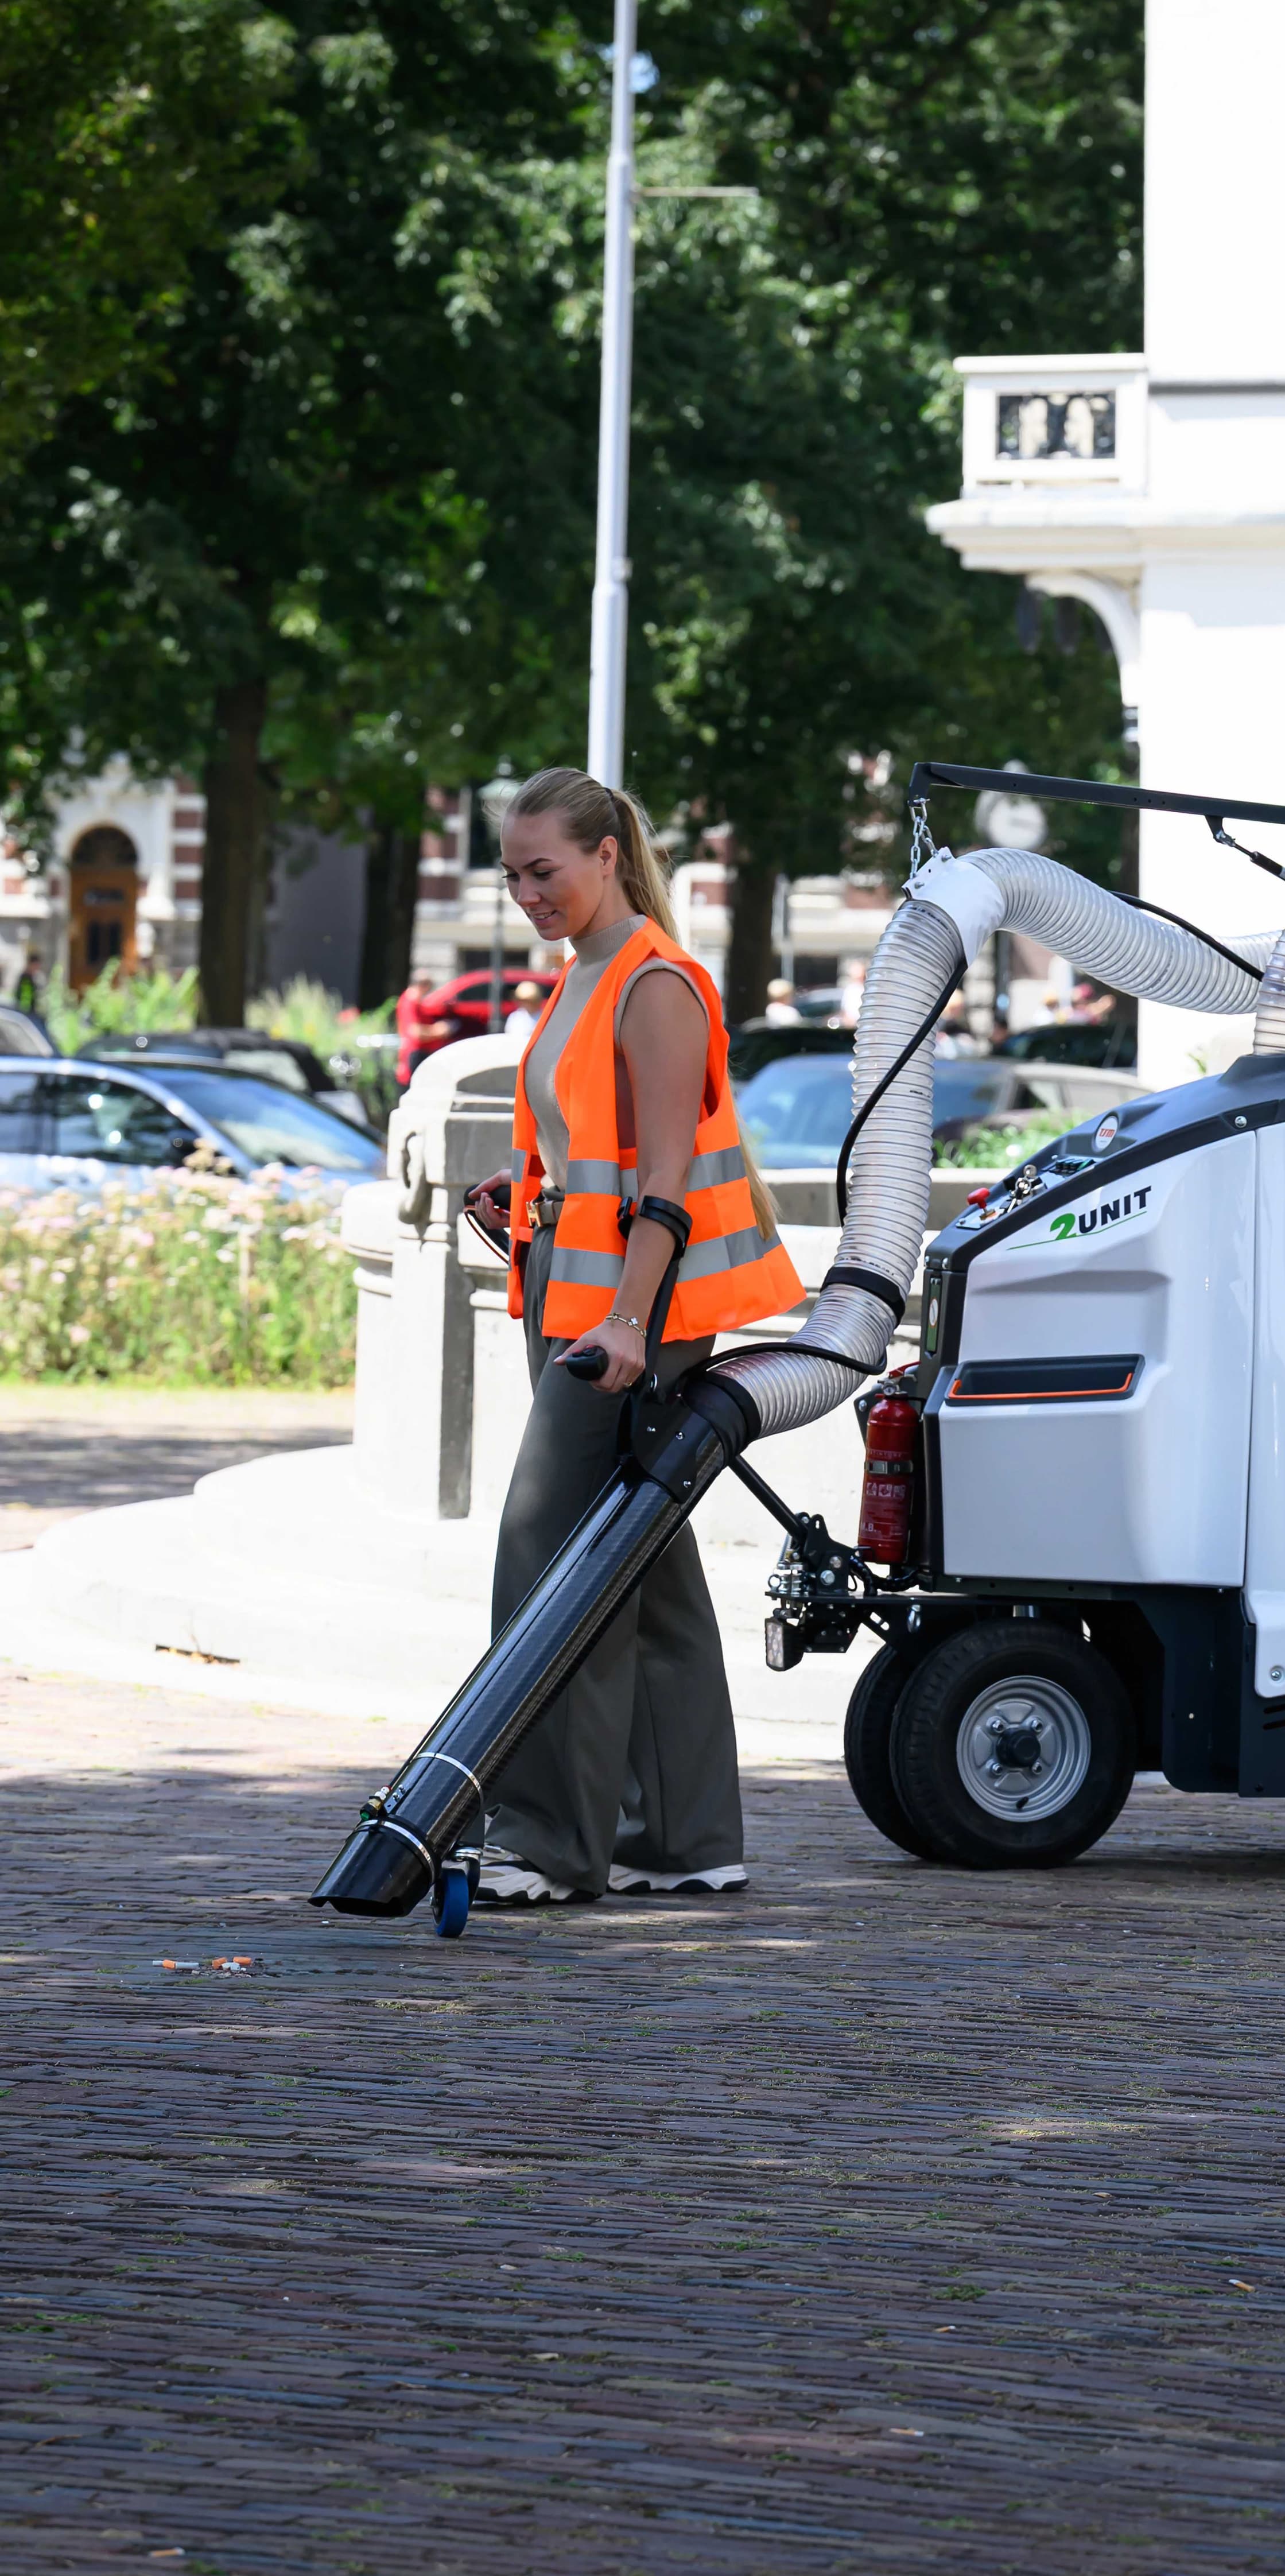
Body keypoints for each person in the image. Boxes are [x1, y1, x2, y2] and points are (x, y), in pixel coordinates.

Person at [477, 766, 805, 1906]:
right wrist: (523, 1204)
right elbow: (596, 1160)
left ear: (607, 854)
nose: (528, 894)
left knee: (550, 1556)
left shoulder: (656, 983)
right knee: (643, 1564)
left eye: (545, 871)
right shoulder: (584, 974)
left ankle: (548, 1843)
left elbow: (667, 1176)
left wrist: (627, 1322)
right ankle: (683, 1837)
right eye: (513, 876)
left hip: (626, 1319)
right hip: (577, 1300)